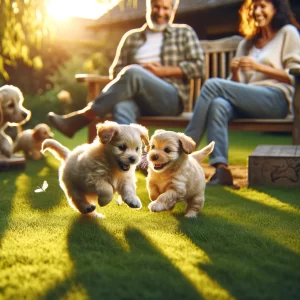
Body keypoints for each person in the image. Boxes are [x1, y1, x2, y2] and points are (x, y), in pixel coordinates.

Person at [184, 0, 300, 187]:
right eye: (254, 7)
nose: (258, 11)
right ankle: (221, 170)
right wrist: (236, 72)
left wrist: (259, 67)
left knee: (213, 84)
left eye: (263, 6)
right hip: (249, 101)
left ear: (275, 8)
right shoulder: (247, 43)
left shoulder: (287, 33)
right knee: (218, 105)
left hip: (275, 99)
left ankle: (185, 148)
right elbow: (235, 89)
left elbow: (294, 76)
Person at [48, 0, 204, 138]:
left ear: (173, 10)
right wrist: (139, 76)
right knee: (121, 106)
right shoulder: (131, 38)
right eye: (156, 7)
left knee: (133, 72)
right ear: (149, 7)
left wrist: (160, 72)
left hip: (169, 100)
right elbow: (117, 72)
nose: (161, 12)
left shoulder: (184, 33)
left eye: (166, 8)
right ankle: (136, 160)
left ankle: (84, 117)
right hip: (137, 100)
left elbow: (198, 67)